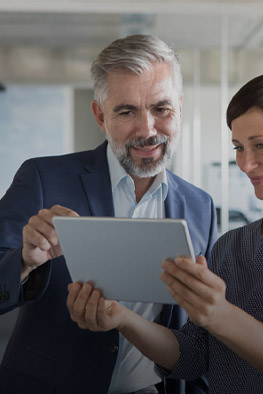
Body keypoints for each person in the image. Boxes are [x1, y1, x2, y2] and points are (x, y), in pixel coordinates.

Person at [67, 70, 263, 394]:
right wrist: (122, 318)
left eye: (261, 145)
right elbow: (192, 356)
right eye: (239, 147)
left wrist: (221, 316)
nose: (246, 164)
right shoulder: (232, 246)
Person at [0, 35, 217, 394]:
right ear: (100, 115)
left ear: (179, 106)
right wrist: (24, 262)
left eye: (161, 109)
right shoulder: (43, 178)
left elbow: (193, 332)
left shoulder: (200, 206)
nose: (148, 130)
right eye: (127, 111)